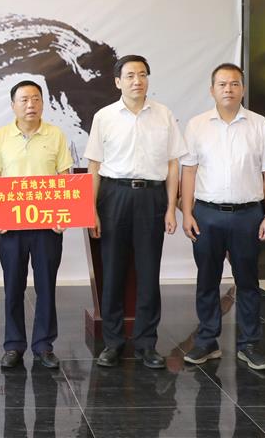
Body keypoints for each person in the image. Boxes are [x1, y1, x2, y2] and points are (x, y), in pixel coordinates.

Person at [84, 55, 186, 369]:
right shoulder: (104, 116)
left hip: (152, 198)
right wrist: (91, 210)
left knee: (148, 273)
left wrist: (171, 208)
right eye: (129, 75)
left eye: (142, 74)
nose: (137, 81)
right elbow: (94, 166)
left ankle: (146, 343)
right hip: (113, 196)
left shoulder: (164, 115)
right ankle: (113, 343)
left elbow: (173, 165)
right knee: (113, 272)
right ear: (118, 82)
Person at [181, 63, 265, 370]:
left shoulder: (260, 125)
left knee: (247, 281)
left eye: (234, 83)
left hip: (248, 215)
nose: (228, 89)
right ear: (212, 90)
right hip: (207, 214)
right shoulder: (197, 125)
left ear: (243, 88)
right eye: (222, 84)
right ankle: (207, 341)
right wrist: (187, 213)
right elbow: (189, 171)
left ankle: (249, 344)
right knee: (207, 280)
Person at [0, 80, 73, 370]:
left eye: (36, 99)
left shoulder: (56, 135)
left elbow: (64, 176)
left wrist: (63, 216)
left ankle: (44, 345)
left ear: (43, 104)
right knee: (13, 286)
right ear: (13, 105)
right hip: (11, 226)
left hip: (47, 225)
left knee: (46, 286)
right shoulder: (1, 136)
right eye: (24, 100)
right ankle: (13, 345)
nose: (30, 105)